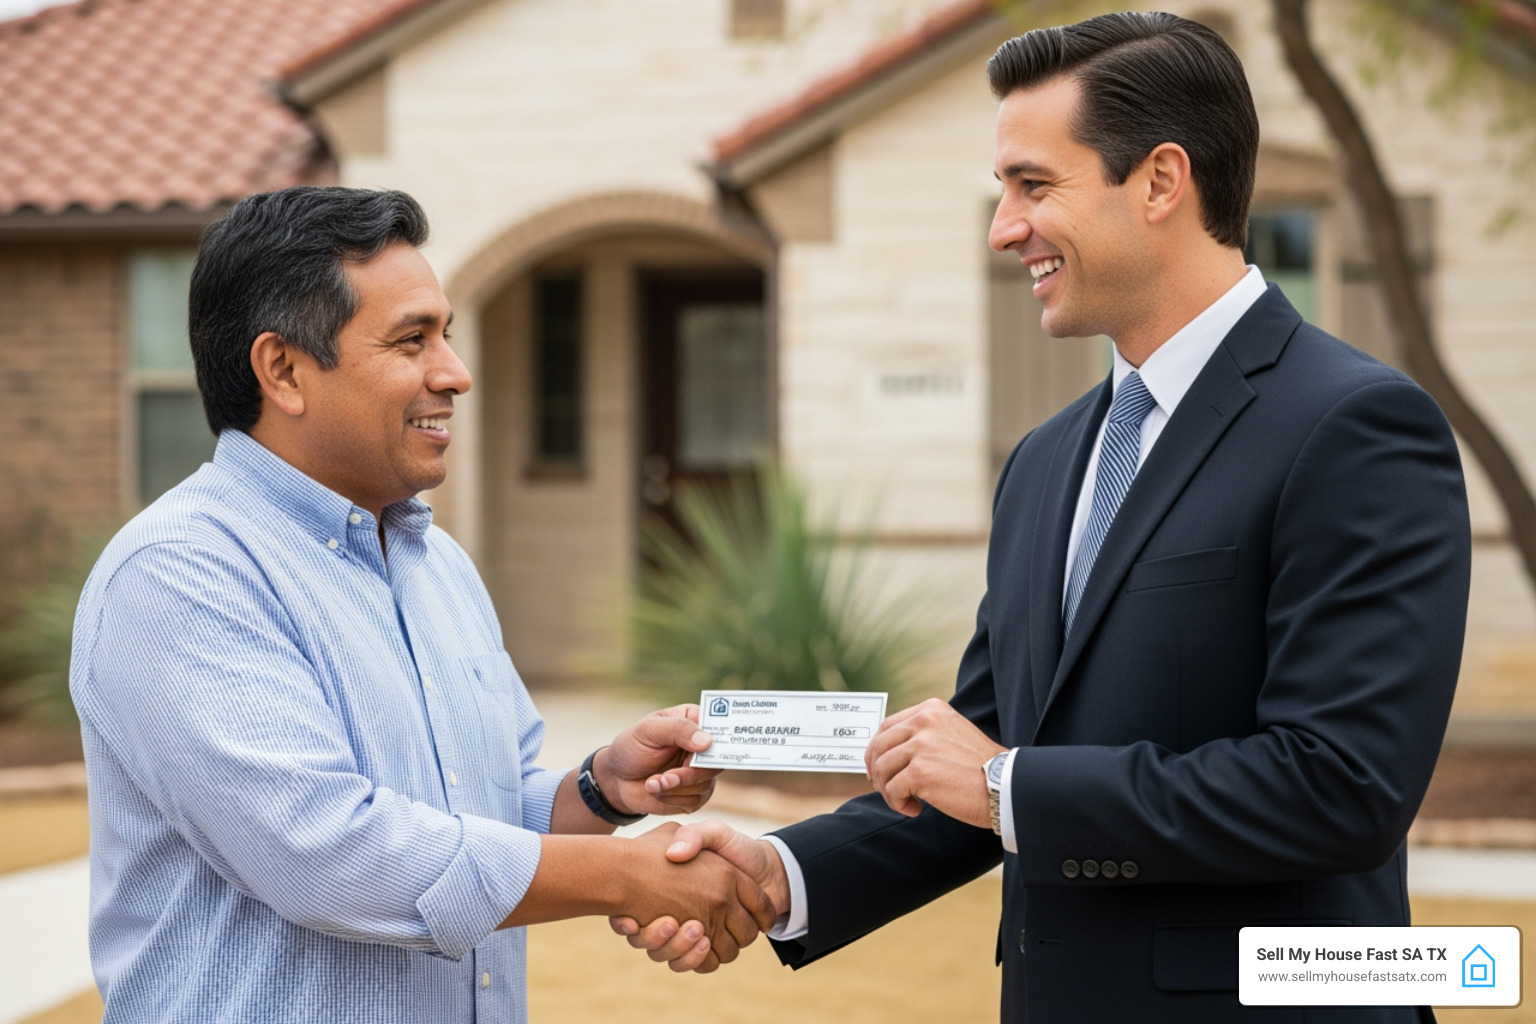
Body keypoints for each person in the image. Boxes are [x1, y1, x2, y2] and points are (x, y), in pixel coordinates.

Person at [619, 12, 1471, 1022]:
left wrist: (1005, 787)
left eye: (1033, 185)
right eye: (1003, 190)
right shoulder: (1044, 463)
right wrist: (782, 872)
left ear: (1161, 181)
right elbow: (989, 756)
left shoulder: (1355, 426)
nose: (1003, 227)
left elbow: (1340, 787)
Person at [69, 186, 774, 1024]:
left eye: (446, 334)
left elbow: (488, 810)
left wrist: (602, 788)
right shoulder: (180, 573)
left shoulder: (437, 564)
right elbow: (328, 853)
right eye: (412, 340)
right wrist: (630, 875)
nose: (455, 373)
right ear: (283, 370)